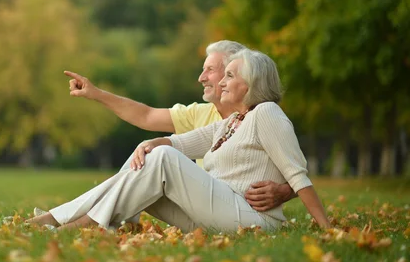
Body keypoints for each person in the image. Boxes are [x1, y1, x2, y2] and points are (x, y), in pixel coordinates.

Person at [28, 49, 330, 232]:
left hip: (253, 220)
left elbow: (296, 173)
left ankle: (77, 224)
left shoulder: (266, 113)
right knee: (152, 157)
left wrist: (326, 227)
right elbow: (180, 144)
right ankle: (62, 219)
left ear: (253, 83)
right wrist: (150, 144)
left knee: (160, 159)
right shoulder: (230, 123)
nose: (220, 82)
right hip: (218, 216)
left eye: (229, 76)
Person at [64, 40, 295, 212]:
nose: (201, 77)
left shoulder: (262, 116)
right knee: (145, 154)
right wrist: (95, 94)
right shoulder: (199, 114)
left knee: (158, 156)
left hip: (232, 210)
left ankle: (74, 217)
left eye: (210, 70)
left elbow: (296, 170)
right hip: (204, 205)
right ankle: (77, 216)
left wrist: (284, 192)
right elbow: (146, 116)